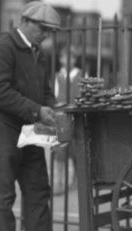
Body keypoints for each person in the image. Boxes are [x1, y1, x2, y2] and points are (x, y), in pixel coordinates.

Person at [0, 1, 72, 231]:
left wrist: (53, 114)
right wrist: (36, 110)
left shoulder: (36, 53)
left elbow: (44, 92)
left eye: (50, 31)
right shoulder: (2, 49)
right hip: (0, 126)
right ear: (26, 21)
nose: (46, 35)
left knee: (38, 188)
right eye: (43, 28)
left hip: (28, 129)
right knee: (2, 194)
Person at [51, 46, 81, 194]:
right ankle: (59, 181)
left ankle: (76, 180)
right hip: (61, 116)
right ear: (60, 59)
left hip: (77, 115)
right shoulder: (58, 76)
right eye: (64, 57)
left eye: (71, 57)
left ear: (75, 59)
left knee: (77, 150)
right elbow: (54, 96)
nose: (67, 60)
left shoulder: (81, 75)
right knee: (60, 151)